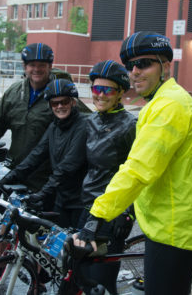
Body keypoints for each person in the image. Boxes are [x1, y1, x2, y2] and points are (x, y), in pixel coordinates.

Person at [74, 31, 192, 295]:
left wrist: (97, 215)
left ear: (166, 66)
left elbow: (138, 168)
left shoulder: (170, 105)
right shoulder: (160, 101)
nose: (135, 71)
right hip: (170, 226)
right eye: (131, 65)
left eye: (144, 63)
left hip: (177, 232)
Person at [0, 43, 90, 192]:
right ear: (24, 67)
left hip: (46, 177)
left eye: (42, 65)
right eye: (32, 65)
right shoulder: (14, 92)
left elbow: (87, 120)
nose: (36, 69)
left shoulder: (61, 93)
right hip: (16, 169)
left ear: (50, 66)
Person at [76, 60, 137, 295]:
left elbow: (137, 173)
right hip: (88, 208)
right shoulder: (91, 121)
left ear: (121, 92)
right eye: (95, 89)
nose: (100, 95)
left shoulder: (131, 125)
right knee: (80, 276)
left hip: (113, 214)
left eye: (107, 90)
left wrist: (127, 212)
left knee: (102, 282)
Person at [0, 78, 87, 228]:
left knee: (77, 247)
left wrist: (43, 192)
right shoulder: (54, 126)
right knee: (56, 247)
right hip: (61, 199)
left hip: (80, 202)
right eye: (54, 103)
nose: (59, 106)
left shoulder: (83, 126)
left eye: (64, 102)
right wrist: (8, 178)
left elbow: (68, 165)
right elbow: (37, 154)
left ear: (73, 102)